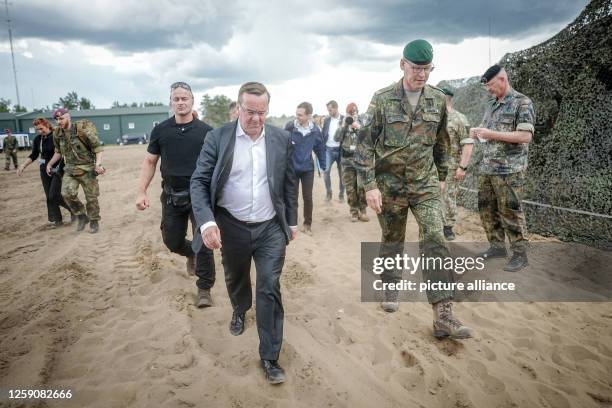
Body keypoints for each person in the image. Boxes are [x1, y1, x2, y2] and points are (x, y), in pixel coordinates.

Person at [357, 39, 472, 339]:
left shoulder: (436, 99)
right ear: (402, 64)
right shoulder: (382, 99)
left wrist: (443, 176)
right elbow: (365, 145)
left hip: (425, 185)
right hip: (390, 186)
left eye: (427, 69)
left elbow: (442, 143)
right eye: (416, 68)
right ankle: (391, 286)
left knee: (435, 236)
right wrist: (369, 185)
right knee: (392, 239)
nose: (421, 75)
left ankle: (443, 312)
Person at [191, 81, 298, 385]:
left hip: (269, 228)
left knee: (268, 285)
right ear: (238, 108)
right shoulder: (218, 137)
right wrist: (208, 222)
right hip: (231, 224)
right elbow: (199, 182)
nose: (256, 119)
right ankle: (240, 309)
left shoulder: (280, 138)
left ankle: (270, 357)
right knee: (236, 277)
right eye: (250, 112)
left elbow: (289, 183)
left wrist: (291, 221)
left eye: (262, 113)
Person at [136, 81, 216, 308]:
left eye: (185, 98)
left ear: (192, 101)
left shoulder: (207, 132)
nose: (181, 102)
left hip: (200, 196)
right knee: (171, 241)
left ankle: (204, 289)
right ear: (171, 102)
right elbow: (150, 161)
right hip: (172, 195)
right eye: (176, 99)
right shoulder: (161, 130)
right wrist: (141, 192)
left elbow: (217, 166)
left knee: (205, 242)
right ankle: (191, 252)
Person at [470, 64, 535, 272]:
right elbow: (487, 134)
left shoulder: (522, 103)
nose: (489, 89)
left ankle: (520, 254)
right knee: (487, 209)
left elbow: (525, 136)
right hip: (488, 167)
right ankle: (497, 247)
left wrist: (490, 134)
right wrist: (478, 134)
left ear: (502, 80)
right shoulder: (491, 104)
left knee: (511, 211)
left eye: (490, 85)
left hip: (509, 170)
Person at [46, 108, 105, 233]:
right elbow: (58, 152)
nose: (59, 121)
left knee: (91, 198)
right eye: (56, 119)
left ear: (68, 117)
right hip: (70, 169)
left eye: (61, 118)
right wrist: (49, 164)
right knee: (67, 194)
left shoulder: (82, 130)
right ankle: (82, 216)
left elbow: (97, 148)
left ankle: (94, 221)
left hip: (88, 169)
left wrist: (98, 165)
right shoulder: (57, 133)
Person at [17, 118, 73, 227]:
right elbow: (34, 155)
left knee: (54, 195)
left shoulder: (55, 136)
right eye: (37, 129)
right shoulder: (38, 139)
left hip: (58, 169)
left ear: (47, 125)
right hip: (44, 170)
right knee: (49, 196)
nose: (39, 131)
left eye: (41, 128)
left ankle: (74, 210)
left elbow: (61, 153)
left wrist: (51, 164)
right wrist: (23, 165)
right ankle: (58, 220)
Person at [284, 102, 326, 235]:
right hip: (292, 168)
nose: (297, 117)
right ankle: (292, 224)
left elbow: (320, 148)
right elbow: (281, 146)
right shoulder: (290, 127)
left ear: (309, 115)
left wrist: (324, 166)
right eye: (297, 114)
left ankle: (307, 225)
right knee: (292, 197)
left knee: (307, 197)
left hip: (307, 169)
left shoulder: (315, 131)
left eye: (300, 115)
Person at [439, 88, 474, 240]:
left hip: (451, 166)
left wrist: (462, 167)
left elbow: (467, 144)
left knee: (448, 196)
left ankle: (448, 227)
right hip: (431, 166)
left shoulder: (459, 118)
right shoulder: (430, 118)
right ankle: (434, 225)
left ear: (446, 98)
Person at [334, 103, 368, 222]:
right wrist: (343, 125)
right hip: (347, 160)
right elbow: (336, 138)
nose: (351, 115)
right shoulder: (343, 122)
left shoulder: (363, 121)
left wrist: (358, 127)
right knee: (350, 188)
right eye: (349, 113)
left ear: (357, 112)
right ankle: (353, 211)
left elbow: (369, 137)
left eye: (353, 113)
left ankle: (363, 210)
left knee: (361, 186)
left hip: (361, 159)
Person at [321, 100, 345, 203]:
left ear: (336, 108)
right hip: (329, 150)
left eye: (330, 110)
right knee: (326, 171)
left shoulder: (344, 119)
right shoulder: (326, 120)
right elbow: (323, 134)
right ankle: (329, 193)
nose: (329, 112)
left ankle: (341, 195)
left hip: (341, 150)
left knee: (342, 174)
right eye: (328, 110)